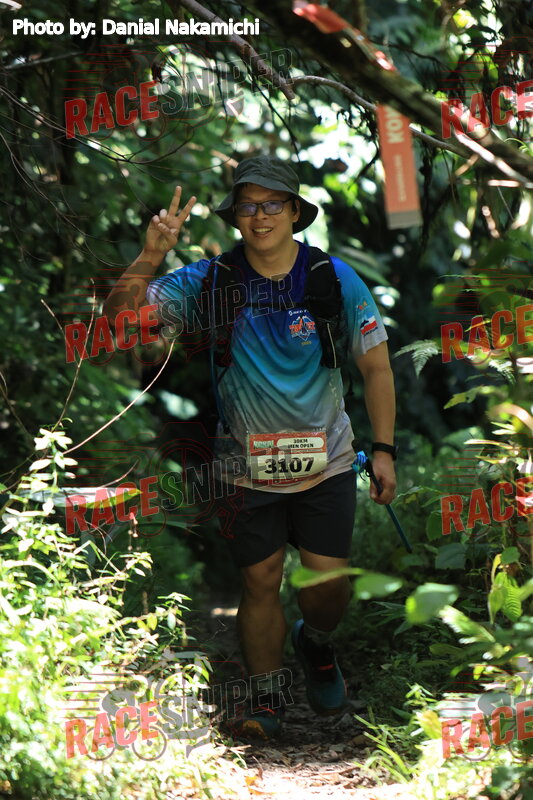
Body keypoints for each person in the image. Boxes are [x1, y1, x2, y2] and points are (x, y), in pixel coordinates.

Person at [103, 155, 397, 740]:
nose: (260, 217)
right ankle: (266, 701)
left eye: (271, 205)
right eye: (247, 206)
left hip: (328, 463)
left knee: (325, 591)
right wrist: (152, 254)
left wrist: (383, 448)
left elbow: (376, 367)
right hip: (244, 467)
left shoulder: (333, 278)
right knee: (260, 581)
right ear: (235, 217)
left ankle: (316, 644)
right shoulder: (210, 281)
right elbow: (121, 322)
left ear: (294, 211)